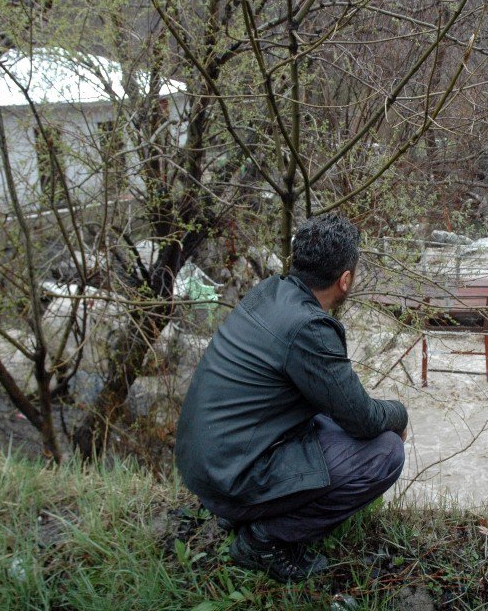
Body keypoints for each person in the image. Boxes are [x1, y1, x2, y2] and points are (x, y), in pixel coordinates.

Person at [175, 213, 408, 583]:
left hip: (204, 464)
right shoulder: (308, 327)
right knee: (385, 452)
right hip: (229, 478)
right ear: (345, 280)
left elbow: (334, 405)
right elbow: (362, 418)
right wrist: (400, 414)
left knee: (330, 421)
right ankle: (262, 541)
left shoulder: (269, 291)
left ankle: (244, 513)